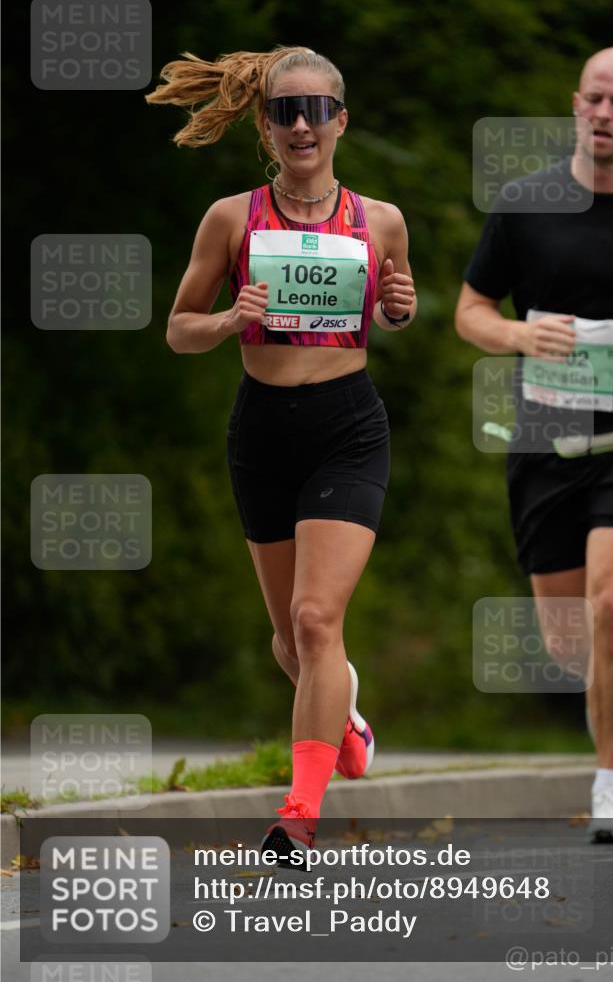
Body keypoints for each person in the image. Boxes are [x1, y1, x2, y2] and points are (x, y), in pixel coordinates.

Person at [146, 46, 417, 856]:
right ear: (265, 126)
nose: (302, 125)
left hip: (347, 425)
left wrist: (398, 306)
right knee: (288, 642)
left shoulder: (381, 219)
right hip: (262, 427)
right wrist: (231, 319)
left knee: (315, 615)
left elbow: (391, 309)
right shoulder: (233, 218)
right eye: (285, 111)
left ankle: (297, 816)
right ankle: (347, 722)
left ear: (341, 120)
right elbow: (178, 330)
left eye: (316, 109)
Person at [455, 46, 613, 842]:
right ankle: (608, 720)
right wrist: (516, 331)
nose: (605, 114)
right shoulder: (525, 203)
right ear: (574, 103)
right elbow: (469, 308)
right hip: (546, 431)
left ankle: (611, 787)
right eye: (595, 100)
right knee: (571, 639)